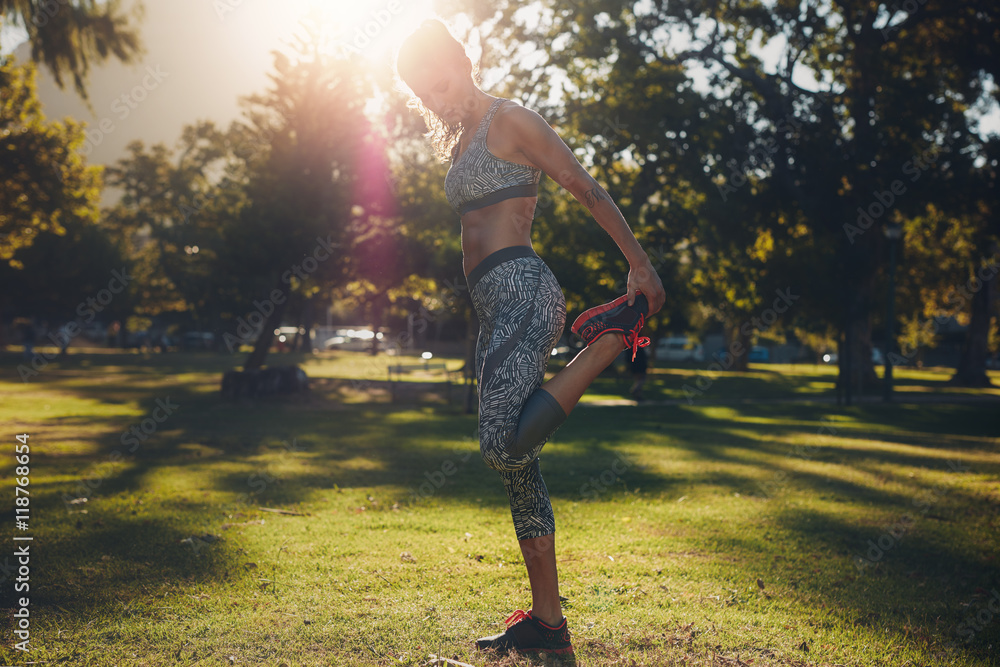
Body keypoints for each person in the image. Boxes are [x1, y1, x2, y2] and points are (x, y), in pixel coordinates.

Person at [395, 19, 666, 660]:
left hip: (524, 293)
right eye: (423, 95)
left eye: (439, 82)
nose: (436, 99)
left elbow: (582, 184)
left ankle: (606, 345)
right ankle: (548, 624)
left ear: (463, 61)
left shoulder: (509, 120)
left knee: (500, 447)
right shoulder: (460, 139)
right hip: (494, 310)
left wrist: (639, 264)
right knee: (520, 468)